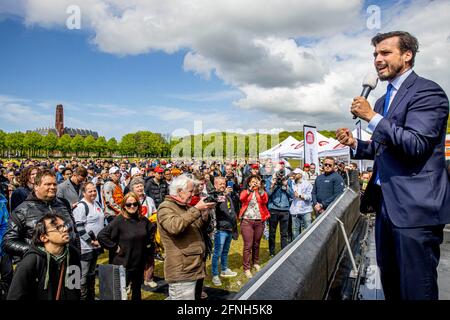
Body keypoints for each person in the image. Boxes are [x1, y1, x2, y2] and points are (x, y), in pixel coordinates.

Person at [336, 31, 450, 300]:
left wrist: (372, 117)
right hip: (386, 205)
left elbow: (416, 144)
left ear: (407, 55)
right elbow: (381, 148)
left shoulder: (428, 92)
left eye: (385, 53)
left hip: (415, 209)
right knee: (392, 283)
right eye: (375, 54)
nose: (377, 59)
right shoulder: (381, 99)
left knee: (416, 289)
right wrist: (355, 143)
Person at [157, 175, 215, 300]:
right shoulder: (165, 207)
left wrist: (205, 213)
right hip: (182, 269)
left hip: (192, 266)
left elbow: (198, 227)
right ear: (179, 191)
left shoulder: (184, 206)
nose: (192, 195)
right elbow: (174, 227)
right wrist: (195, 209)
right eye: (190, 191)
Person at [2, 169, 80, 261]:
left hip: (69, 262)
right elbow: (8, 242)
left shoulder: (64, 203)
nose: (52, 187)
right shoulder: (22, 210)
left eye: (54, 184)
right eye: (48, 184)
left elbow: (74, 231)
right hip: (40, 266)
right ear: (36, 187)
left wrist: (78, 254)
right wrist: (36, 252)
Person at [7, 213, 81, 300]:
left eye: (64, 225)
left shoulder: (73, 254)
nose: (65, 229)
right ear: (44, 237)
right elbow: (15, 296)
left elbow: (74, 287)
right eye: (58, 228)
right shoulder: (31, 261)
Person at [97, 192, 155, 301]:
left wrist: (147, 246)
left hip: (138, 263)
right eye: (128, 204)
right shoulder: (119, 221)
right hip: (122, 264)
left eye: (134, 204)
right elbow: (102, 236)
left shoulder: (142, 220)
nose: (132, 206)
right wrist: (114, 247)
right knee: (119, 293)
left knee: (137, 291)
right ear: (124, 206)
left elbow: (151, 229)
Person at [72, 182, 104, 300]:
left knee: (91, 273)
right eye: (89, 191)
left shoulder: (97, 203)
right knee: (83, 275)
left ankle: (90, 296)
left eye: (94, 190)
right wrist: (91, 241)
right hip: (85, 247)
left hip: (96, 246)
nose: (93, 193)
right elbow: (79, 227)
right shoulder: (81, 206)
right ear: (84, 192)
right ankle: (82, 297)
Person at [129, 177, 158, 289]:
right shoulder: (130, 200)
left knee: (150, 257)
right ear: (133, 188)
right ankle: (131, 281)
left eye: (141, 185)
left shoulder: (149, 199)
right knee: (134, 259)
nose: (140, 188)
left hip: (148, 233)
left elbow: (154, 212)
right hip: (134, 233)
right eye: (137, 186)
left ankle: (149, 278)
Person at [239, 175, 270, 278]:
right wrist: (249, 190)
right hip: (247, 221)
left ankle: (255, 262)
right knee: (248, 245)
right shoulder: (246, 191)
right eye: (252, 181)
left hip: (259, 221)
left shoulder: (261, 191)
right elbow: (241, 198)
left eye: (256, 181)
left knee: (256, 244)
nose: (255, 183)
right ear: (249, 183)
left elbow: (265, 200)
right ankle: (246, 268)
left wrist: (260, 189)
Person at [210, 177, 238, 286]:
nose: (223, 185)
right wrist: (224, 194)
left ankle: (224, 269)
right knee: (217, 253)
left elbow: (232, 209)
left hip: (229, 228)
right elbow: (216, 200)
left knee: (225, 251)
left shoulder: (226, 195)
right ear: (215, 185)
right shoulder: (215, 195)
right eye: (220, 184)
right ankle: (215, 275)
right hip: (220, 230)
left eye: (224, 183)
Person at [266, 168, 292, 256]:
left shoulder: (287, 181)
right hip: (273, 209)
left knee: (284, 233)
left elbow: (292, 195)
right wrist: (273, 185)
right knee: (272, 232)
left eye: (282, 174)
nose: (280, 176)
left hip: (285, 210)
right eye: (279, 174)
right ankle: (272, 252)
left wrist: (286, 186)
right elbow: (267, 195)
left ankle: (284, 251)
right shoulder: (269, 180)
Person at [289, 169, 313, 239]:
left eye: (295, 174)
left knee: (307, 230)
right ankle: (295, 247)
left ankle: (308, 246)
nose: (294, 175)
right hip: (294, 210)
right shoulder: (291, 183)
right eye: (293, 174)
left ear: (300, 175)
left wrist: (299, 196)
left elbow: (310, 197)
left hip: (306, 210)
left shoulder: (307, 184)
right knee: (295, 231)